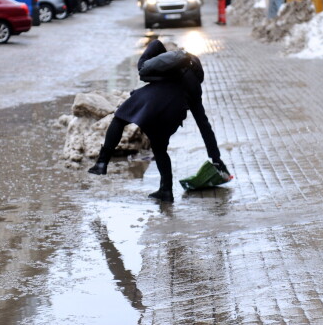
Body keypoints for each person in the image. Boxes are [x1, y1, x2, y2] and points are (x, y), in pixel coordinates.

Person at [87, 39, 229, 203]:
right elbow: (204, 126)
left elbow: (154, 50)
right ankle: (166, 191)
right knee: (160, 148)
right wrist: (216, 159)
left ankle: (102, 162)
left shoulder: (171, 68)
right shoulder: (194, 88)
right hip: (173, 114)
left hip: (151, 100)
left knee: (119, 119)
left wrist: (154, 53)